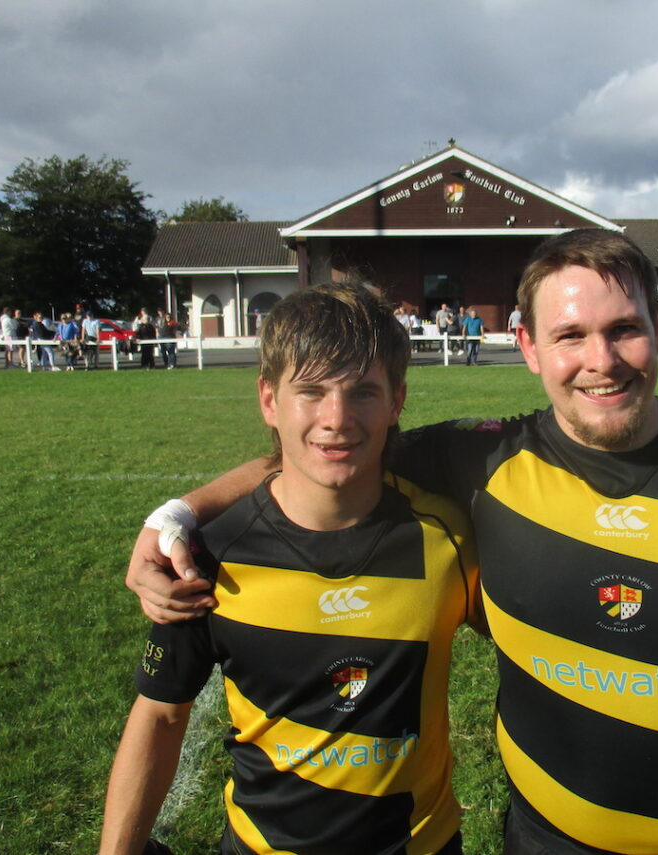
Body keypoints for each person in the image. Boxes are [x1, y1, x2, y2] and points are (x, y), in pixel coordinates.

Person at [126, 229, 658, 855]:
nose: (601, 360)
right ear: (528, 346)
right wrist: (179, 512)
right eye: (571, 335)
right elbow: (324, 448)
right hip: (545, 841)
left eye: (624, 329)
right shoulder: (479, 460)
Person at [100, 282, 480, 855]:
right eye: (311, 391)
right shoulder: (207, 555)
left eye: (363, 392)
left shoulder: (448, 537)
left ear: (397, 401)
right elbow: (159, 717)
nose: (337, 419)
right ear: (268, 399)